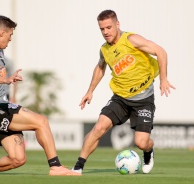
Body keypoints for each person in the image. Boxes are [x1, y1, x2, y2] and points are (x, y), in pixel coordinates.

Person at [0, 15, 80, 176]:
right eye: (10, 35)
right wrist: (6, 79)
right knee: (41, 122)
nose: (10, 40)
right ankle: (56, 167)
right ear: (1, 33)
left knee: (18, 159)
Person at [72, 10, 175, 174]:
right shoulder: (105, 50)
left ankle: (149, 150)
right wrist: (89, 91)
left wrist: (163, 79)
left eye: (108, 27)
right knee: (99, 128)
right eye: (102, 29)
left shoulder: (131, 40)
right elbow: (100, 67)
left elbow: (161, 52)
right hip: (120, 98)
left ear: (117, 25)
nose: (105, 32)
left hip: (143, 99)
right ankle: (77, 167)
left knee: (141, 142)